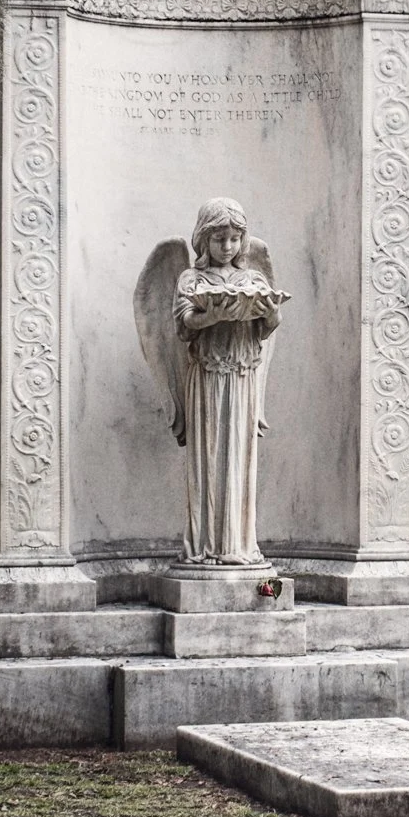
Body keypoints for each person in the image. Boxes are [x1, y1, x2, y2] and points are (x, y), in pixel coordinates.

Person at [173, 197, 286, 565]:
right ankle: (206, 545)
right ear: (203, 239)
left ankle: (238, 544)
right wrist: (209, 317)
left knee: (239, 457)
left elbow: (266, 329)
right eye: (220, 238)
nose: (228, 246)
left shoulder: (253, 279)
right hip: (205, 379)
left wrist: (271, 316)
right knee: (208, 457)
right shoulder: (191, 279)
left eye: (235, 238)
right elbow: (184, 326)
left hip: (242, 379)